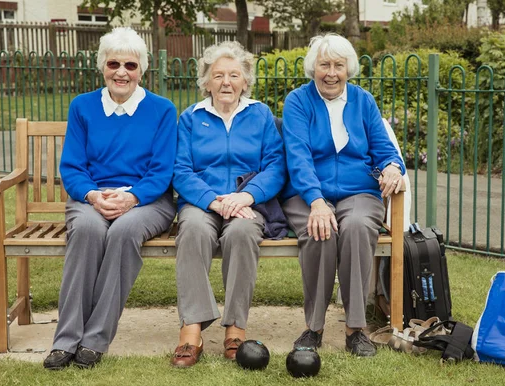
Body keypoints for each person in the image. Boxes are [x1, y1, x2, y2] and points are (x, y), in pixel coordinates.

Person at [43, 27, 178, 370]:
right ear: (102, 65)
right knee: (87, 230)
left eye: (130, 65)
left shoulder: (162, 110)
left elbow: (162, 173)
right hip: (92, 197)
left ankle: (95, 339)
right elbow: (72, 167)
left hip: (148, 201)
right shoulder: (83, 107)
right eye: (114, 63)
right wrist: (92, 195)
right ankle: (65, 340)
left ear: (142, 70)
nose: (121, 72)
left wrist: (131, 198)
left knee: (122, 232)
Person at [280, 33, 406, 357]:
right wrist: (317, 201)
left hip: (359, 192)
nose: (331, 73)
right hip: (307, 194)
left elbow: (384, 149)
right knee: (319, 230)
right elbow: (298, 157)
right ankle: (314, 327)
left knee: (358, 227)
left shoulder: (363, 101)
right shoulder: (298, 101)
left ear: (348, 68)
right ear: (313, 68)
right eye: (324, 65)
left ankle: (355, 329)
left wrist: (392, 167)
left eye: (338, 65)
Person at [170, 41, 286, 368]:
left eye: (234, 75)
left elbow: (276, 166)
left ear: (245, 82)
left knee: (243, 234)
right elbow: (180, 170)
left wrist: (246, 197)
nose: (225, 82)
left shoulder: (260, 115)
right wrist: (213, 201)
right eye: (217, 75)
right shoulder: (191, 118)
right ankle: (191, 328)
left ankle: (236, 327)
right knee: (191, 229)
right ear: (205, 81)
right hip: (202, 201)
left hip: (246, 200)